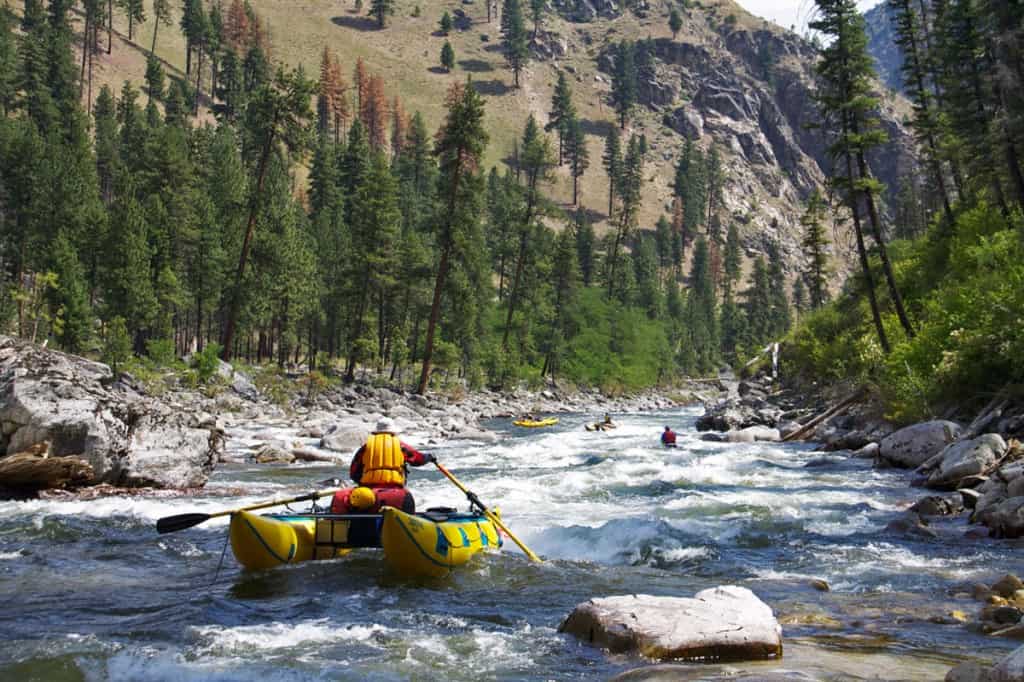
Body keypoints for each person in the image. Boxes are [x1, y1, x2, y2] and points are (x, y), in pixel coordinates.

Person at [330, 418, 435, 514]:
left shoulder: (366, 447)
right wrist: (429, 457)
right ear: (393, 432)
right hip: (396, 493)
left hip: (367, 493)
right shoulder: (400, 446)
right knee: (408, 500)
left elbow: (354, 473)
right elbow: (418, 459)